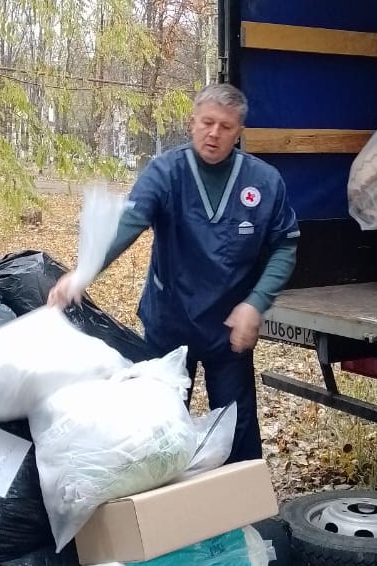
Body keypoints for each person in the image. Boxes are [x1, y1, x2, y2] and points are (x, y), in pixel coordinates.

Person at [48, 83, 301, 464]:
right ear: (192, 122)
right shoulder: (167, 171)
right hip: (169, 324)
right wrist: (85, 271)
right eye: (207, 122)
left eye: (226, 127)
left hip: (228, 330)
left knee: (236, 430)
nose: (214, 133)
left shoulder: (264, 182)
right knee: (160, 431)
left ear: (239, 132)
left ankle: (241, 517)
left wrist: (256, 303)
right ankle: (166, 515)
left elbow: (285, 245)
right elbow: (131, 221)